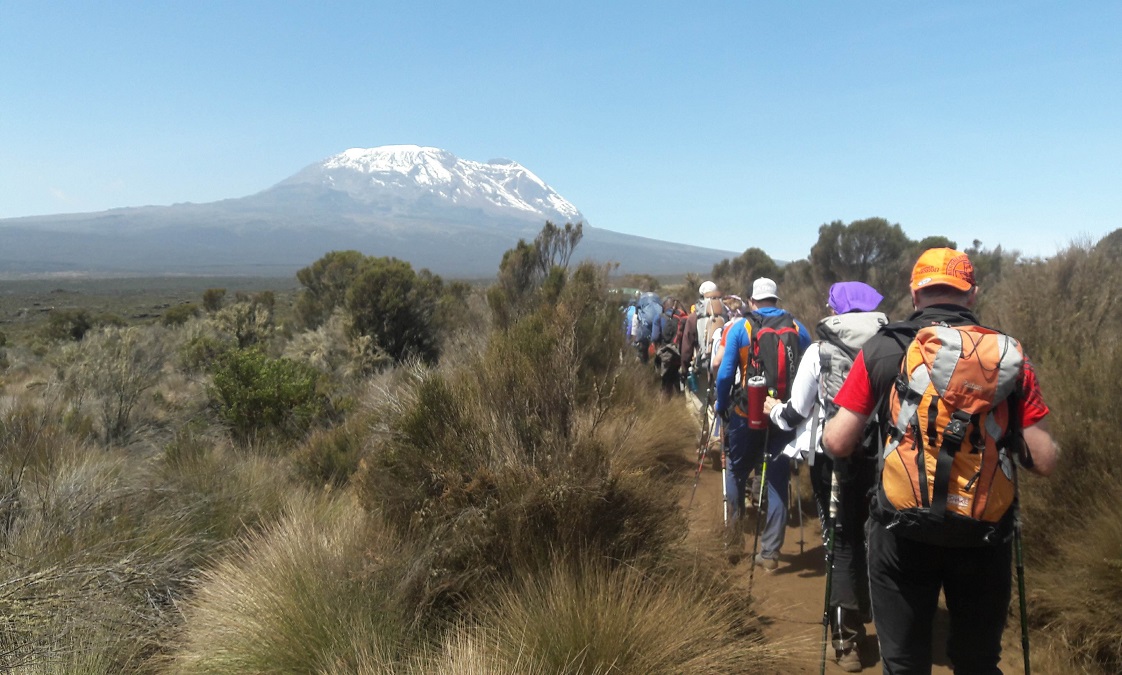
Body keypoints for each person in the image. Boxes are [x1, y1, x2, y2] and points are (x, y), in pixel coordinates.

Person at [823, 248, 1059, 675]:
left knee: (905, 662)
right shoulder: (1008, 357)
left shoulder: (884, 347)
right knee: (977, 661)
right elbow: (1042, 460)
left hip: (901, 530)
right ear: (971, 296)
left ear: (915, 293)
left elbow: (838, 442)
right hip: (983, 532)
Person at [763, 281, 887, 671]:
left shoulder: (819, 351)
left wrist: (772, 411)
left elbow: (797, 411)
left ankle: (844, 638)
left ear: (837, 309)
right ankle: (878, 620)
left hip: (829, 459)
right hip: (881, 460)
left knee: (840, 539)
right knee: (873, 537)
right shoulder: (893, 349)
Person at [715, 278, 811, 569]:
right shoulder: (798, 328)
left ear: (752, 301)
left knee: (736, 470)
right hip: (782, 416)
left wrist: (722, 406)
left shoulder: (739, 328)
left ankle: (733, 540)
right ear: (776, 300)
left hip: (747, 414)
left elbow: (724, 374)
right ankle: (770, 554)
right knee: (777, 479)